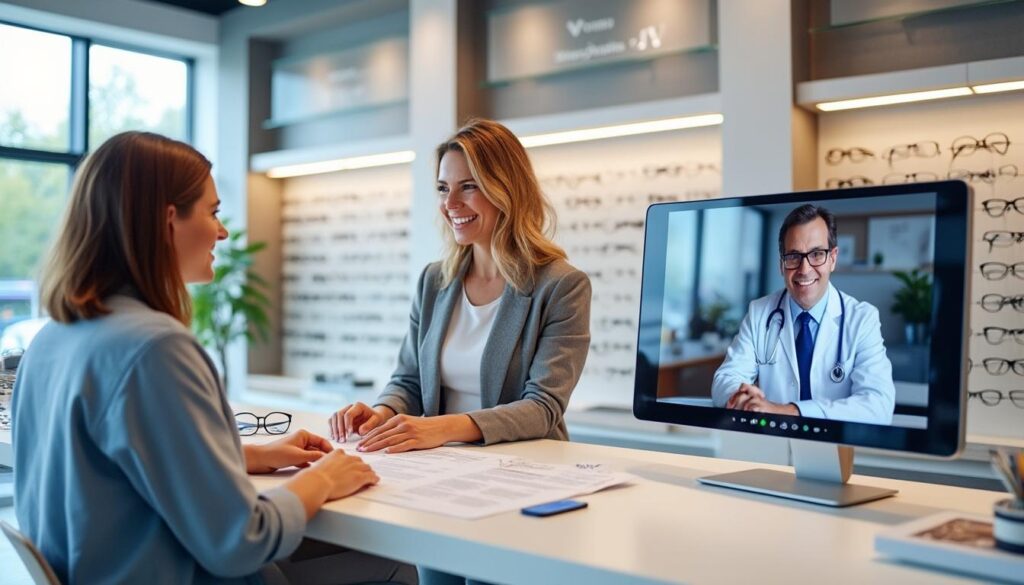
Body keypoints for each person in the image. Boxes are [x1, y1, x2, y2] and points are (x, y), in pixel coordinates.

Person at [12, 132, 415, 584]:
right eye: (213, 212)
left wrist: (246, 456)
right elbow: (241, 540)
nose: (222, 231)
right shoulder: (155, 348)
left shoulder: (52, 339)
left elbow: (109, 472)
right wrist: (325, 477)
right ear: (169, 221)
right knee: (399, 567)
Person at [328, 119, 591, 584]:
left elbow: (543, 408)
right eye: (443, 188)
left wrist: (437, 429)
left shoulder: (561, 286)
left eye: (469, 187)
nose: (451, 204)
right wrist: (382, 411)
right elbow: (409, 379)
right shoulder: (435, 281)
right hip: (440, 486)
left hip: (522, 485)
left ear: (506, 190)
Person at [711, 204, 895, 424]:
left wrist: (789, 411)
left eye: (817, 254)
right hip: (771, 444)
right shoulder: (759, 312)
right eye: (793, 256)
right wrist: (741, 397)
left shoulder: (862, 319)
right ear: (782, 264)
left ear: (833, 258)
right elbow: (725, 378)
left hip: (836, 448)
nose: (804, 269)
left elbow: (878, 405)